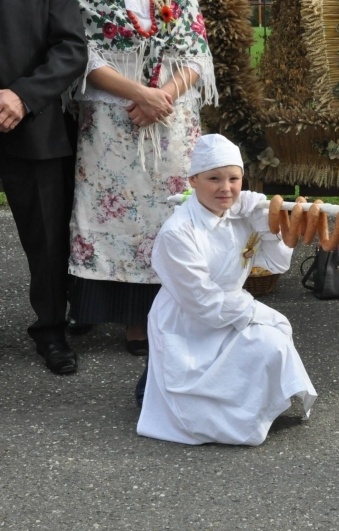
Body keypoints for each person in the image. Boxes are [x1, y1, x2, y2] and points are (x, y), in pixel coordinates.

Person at [136, 134, 317, 445]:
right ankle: (161, 392)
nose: (226, 188)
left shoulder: (243, 214)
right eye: (214, 179)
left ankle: (251, 406)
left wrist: (268, 227)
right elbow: (203, 302)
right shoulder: (178, 233)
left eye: (234, 178)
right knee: (186, 394)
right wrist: (259, 312)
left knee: (271, 345)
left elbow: (276, 265)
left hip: (231, 308)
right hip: (189, 318)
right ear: (193, 180)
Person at [68, 0, 217, 356]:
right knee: (114, 217)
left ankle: (169, 316)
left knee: (167, 216)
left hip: (171, 118)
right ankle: (126, 316)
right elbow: (83, 54)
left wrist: (161, 97)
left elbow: (197, 53)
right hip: (110, 120)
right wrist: (140, 94)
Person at [0, 0, 88, 375]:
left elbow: (71, 48)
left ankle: (51, 330)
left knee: (48, 239)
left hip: (33, 124)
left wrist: (23, 96)